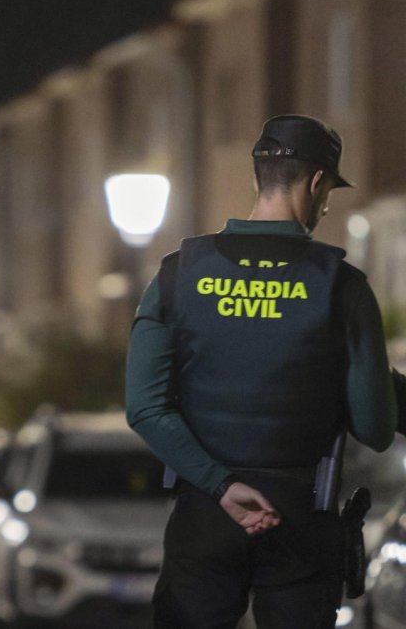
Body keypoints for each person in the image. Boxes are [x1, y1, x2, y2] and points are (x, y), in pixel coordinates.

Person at [125, 114, 398, 628]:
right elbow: (376, 429)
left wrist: (220, 484)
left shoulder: (177, 275)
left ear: (256, 178)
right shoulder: (343, 287)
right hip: (302, 518)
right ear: (318, 182)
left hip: (205, 512)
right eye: (328, 192)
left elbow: (144, 407)